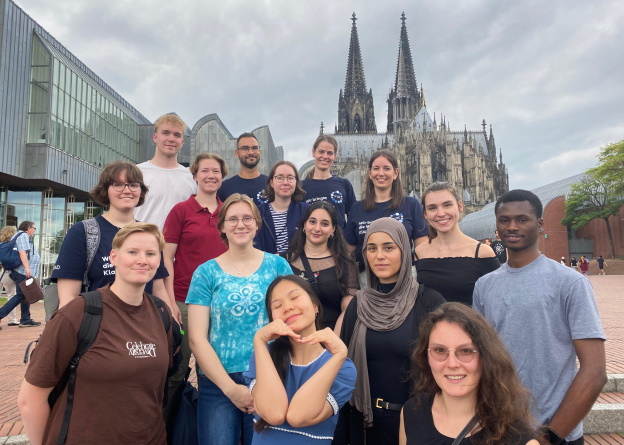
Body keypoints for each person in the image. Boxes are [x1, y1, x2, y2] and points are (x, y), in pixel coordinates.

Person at [18, 223, 174, 444]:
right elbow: (30, 399)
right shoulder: (78, 313)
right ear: (114, 257)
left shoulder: (161, 314)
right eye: (132, 252)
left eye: (151, 253)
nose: (143, 260)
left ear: (158, 261)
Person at [473, 189, 607, 445]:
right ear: (497, 227)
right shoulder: (484, 286)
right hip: (500, 431)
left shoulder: (570, 283)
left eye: (522, 219)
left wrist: (550, 436)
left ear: (540, 223)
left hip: (554, 434)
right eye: (504, 220)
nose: (512, 226)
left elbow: (595, 371)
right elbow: (481, 359)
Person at [186, 193, 292, 445]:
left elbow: (292, 323)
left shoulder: (278, 267)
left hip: (270, 377)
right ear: (222, 226)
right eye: (232, 219)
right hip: (218, 382)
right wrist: (230, 389)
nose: (240, 224)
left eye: (247, 218)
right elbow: (197, 338)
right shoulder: (205, 273)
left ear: (257, 223)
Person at [334, 218, 445, 445]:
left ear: (404, 251)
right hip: (366, 423)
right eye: (372, 249)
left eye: (389, 247)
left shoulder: (428, 301)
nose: (379, 256)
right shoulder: (359, 304)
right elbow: (343, 366)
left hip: (417, 423)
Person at [400, 302, 538, 445]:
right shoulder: (412, 412)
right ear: (425, 356)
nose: (452, 364)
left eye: (466, 351)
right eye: (440, 350)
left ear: (486, 357)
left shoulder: (519, 439)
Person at [244, 275, 356, 444]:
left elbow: (298, 417)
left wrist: (340, 354)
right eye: (277, 305)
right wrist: (259, 341)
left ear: (315, 305)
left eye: (295, 297)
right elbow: (274, 414)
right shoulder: (264, 355)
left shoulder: (342, 367)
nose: (287, 307)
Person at [162, 152, 229, 422]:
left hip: (221, 304)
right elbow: (166, 257)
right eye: (205, 171)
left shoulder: (228, 213)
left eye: (216, 171)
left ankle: (209, 430)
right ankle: (164, 431)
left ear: (222, 177)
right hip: (185, 302)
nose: (211, 175)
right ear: (195, 176)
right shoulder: (181, 211)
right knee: (176, 370)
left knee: (212, 372)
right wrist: (169, 302)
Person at [52, 161, 170, 313]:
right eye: (118, 185)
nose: (127, 190)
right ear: (105, 190)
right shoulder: (83, 232)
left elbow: (158, 289)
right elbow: (68, 297)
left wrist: (170, 321)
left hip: (143, 326)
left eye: (134, 185)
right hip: (98, 328)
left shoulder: (149, 234)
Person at [345, 150, 428, 276]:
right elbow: (348, 252)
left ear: (396, 173)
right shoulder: (357, 208)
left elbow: (422, 247)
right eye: (376, 168)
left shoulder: (411, 205)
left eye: (386, 168)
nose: (381, 173)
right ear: (370, 173)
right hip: (367, 278)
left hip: (404, 277)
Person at [415, 182, 499, 306]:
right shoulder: (419, 252)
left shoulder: (482, 252)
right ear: (425, 214)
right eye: (432, 208)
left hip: (469, 324)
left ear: (460, 206)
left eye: (447, 205)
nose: (441, 213)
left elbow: (497, 302)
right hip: (428, 324)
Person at [286, 201, 359, 332]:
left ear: (333, 229)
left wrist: (333, 343)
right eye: (312, 222)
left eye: (325, 224)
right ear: (304, 225)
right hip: (294, 338)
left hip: (333, 336)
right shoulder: (285, 260)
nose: (317, 228)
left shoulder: (345, 262)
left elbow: (348, 307)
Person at [134, 114, 197, 230]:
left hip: (179, 246)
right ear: (155, 137)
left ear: (182, 142)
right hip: (141, 244)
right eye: (166, 133)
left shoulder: (192, 177)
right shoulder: (136, 173)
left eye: (177, 135)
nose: (171, 139)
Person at [301, 135, 356, 230]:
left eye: (330, 153)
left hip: (338, 243)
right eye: (321, 152)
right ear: (313, 153)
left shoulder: (344, 184)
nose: (325, 156)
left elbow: (354, 217)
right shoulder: (301, 187)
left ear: (335, 156)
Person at [255, 161, 309, 254]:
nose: (285, 182)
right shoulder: (258, 213)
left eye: (290, 178)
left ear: (296, 182)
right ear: (271, 182)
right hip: (269, 266)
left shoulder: (306, 211)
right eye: (280, 178)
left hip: (299, 267)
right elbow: (255, 246)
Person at [0, 221, 41, 327]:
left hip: (21, 271)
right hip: (22, 271)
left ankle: (25, 319)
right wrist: (27, 269)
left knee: (25, 294)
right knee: (20, 295)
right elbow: (22, 253)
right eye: (34, 228)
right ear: (28, 228)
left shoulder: (22, 236)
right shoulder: (23, 235)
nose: (34, 230)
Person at [218, 133, 268, 206]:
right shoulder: (224, 188)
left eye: (254, 148)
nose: (251, 152)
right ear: (237, 153)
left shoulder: (271, 184)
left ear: (259, 151)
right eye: (245, 148)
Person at [0, 225, 19, 328]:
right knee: (11, 295)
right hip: (7, 273)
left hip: (1, 271)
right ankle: (12, 319)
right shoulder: (13, 246)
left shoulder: (1, 245)